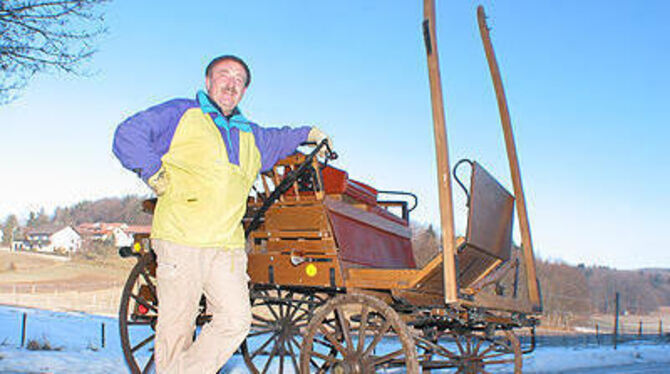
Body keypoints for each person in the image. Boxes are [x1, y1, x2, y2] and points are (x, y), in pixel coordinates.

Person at [112, 55, 330, 373]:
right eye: (223, 75)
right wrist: (154, 172)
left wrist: (309, 133)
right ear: (208, 82)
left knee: (235, 321)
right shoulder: (181, 113)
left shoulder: (251, 135)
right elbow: (127, 134)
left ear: (243, 91)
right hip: (181, 238)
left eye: (239, 79)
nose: (231, 83)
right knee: (176, 329)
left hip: (226, 247)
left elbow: (281, 136)